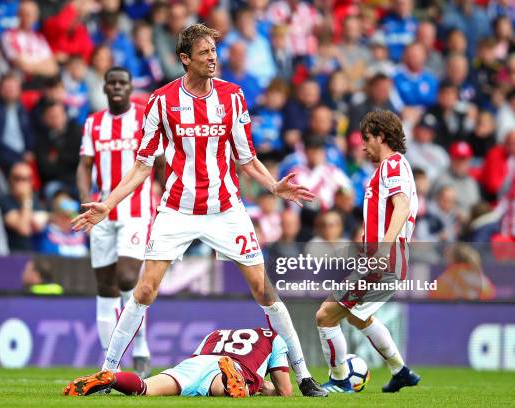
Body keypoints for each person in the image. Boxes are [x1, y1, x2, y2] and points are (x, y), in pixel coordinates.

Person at [72, 23, 326, 398]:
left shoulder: (233, 96)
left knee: (263, 289)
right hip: (177, 210)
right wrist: (107, 204)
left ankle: (304, 377)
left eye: (214, 51)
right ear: (185, 58)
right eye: (205, 52)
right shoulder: (162, 100)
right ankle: (107, 374)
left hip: (226, 209)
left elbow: (246, 157)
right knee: (144, 289)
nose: (213, 58)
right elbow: (143, 164)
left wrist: (273, 185)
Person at [315, 111, 421, 393]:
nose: (363, 146)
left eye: (366, 139)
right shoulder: (388, 169)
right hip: (384, 259)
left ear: (381, 137)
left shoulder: (393, 165)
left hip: (384, 260)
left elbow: (402, 206)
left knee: (325, 316)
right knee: (355, 316)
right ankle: (400, 371)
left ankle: (339, 380)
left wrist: (383, 248)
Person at [76, 67, 153, 379]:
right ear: (105, 88)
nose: (118, 87)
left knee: (125, 278)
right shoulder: (94, 123)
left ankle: (142, 347)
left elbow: (158, 162)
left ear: (130, 86)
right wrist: (86, 201)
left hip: (135, 211)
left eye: (123, 82)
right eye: (112, 83)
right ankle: (111, 367)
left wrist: (160, 195)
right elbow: (84, 166)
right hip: (102, 213)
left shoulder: (144, 117)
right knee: (105, 286)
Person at [63, 327, 292, 398]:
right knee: (227, 389)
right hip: (234, 365)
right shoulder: (274, 337)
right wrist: (266, 388)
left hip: (197, 362)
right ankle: (233, 381)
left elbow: (198, 357)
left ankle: (113, 378)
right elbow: (285, 391)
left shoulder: (216, 333)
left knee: (145, 389)